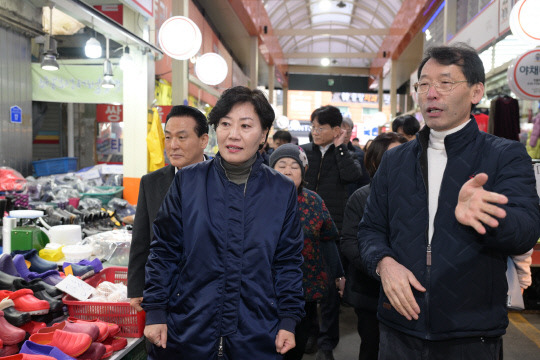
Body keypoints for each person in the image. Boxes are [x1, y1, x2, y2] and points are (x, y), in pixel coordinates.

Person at [358, 44, 540, 360]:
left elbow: (526, 231)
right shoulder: (395, 160)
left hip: (471, 331)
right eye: (424, 84)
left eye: (445, 83)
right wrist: (384, 264)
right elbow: (370, 230)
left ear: (476, 91)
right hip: (400, 325)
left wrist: (489, 217)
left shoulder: (504, 155)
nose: (431, 94)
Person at [142, 86, 305, 360]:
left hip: (257, 331)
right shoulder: (188, 181)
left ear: (264, 133)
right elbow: (164, 251)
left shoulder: (281, 190)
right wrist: (156, 310)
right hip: (188, 328)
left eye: (246, 125)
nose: (233, 134)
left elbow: (287, 261)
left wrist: (288, 319)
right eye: (225, 124)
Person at [127, 105, 209, 312]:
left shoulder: (222, 180)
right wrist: (136, 287)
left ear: (203, 141)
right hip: (164, 290)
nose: (173, 146)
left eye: (182, 137)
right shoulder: (151, 183)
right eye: (169, 137)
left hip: (209, 292)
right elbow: (141, 240)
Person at [269, 144, 345, 360]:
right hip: (265, 290)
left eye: (294, 166)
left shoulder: (314, 201)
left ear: (303, 172)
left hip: (305, 288)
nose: (287, 171)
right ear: (271, 169)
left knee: (296, 345)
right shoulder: (258, 199)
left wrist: (338, 274)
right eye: (281, 165)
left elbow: (328, 239)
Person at [300, 105, 363, 360]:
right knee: (303, 288)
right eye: (313, 127)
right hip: (302, 229)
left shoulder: (349, 154)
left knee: (328, 292)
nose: (315, 132)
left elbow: (353, 176)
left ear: (336, 130)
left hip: (330, 230)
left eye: (320, 128)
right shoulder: (303, 153)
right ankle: (309, 333)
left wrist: (339, 148)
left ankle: (327, 342)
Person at [340, 132, 406, 360]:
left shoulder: (418, 197)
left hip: (409, 291)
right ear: (375, 161)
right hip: (370, 291)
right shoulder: (361, 197)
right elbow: (348, 241)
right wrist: (379, 269)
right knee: (372, 345)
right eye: (393, 155)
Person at [341, 117, 370, 195]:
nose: (346, 135)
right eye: (342, 132)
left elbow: (365, 182)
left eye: (349, 132)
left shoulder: (359, 154)